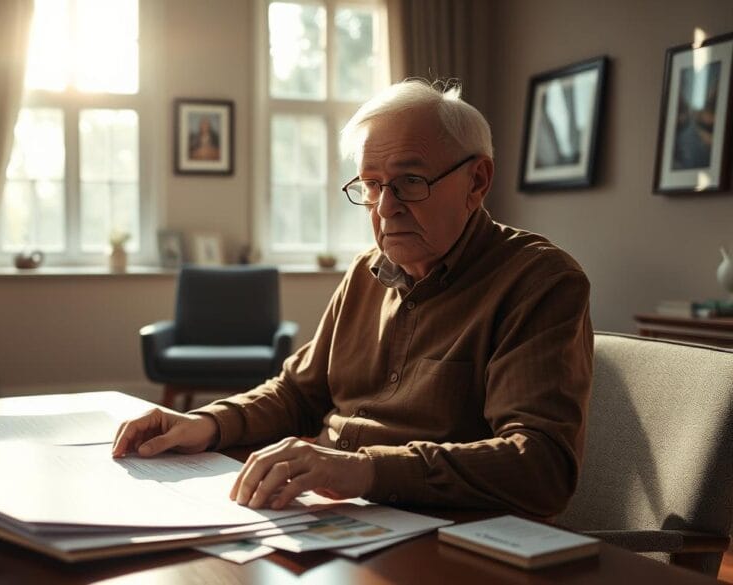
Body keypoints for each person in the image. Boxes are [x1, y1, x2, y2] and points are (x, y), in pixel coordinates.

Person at [113, 79, 592, 518]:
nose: (385, 207)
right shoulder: (366, 272)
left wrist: (363, 470)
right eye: (371, 185)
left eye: (410, 181)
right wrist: (207, 423)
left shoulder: (539, 282)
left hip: (440, 529)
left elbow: (541, 466)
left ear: (478, 181)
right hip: (334, 513)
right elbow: (297, 393)